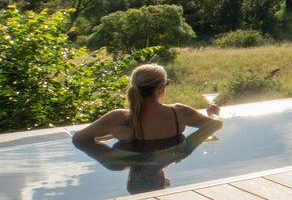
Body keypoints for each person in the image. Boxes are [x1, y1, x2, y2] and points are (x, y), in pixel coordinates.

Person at [72, 62, 223, 153]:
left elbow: (78, 138)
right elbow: (215, 124)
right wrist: (213, 113)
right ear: (160, 87)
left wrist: (109, 155)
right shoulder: (178, 113)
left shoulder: (117, 119)